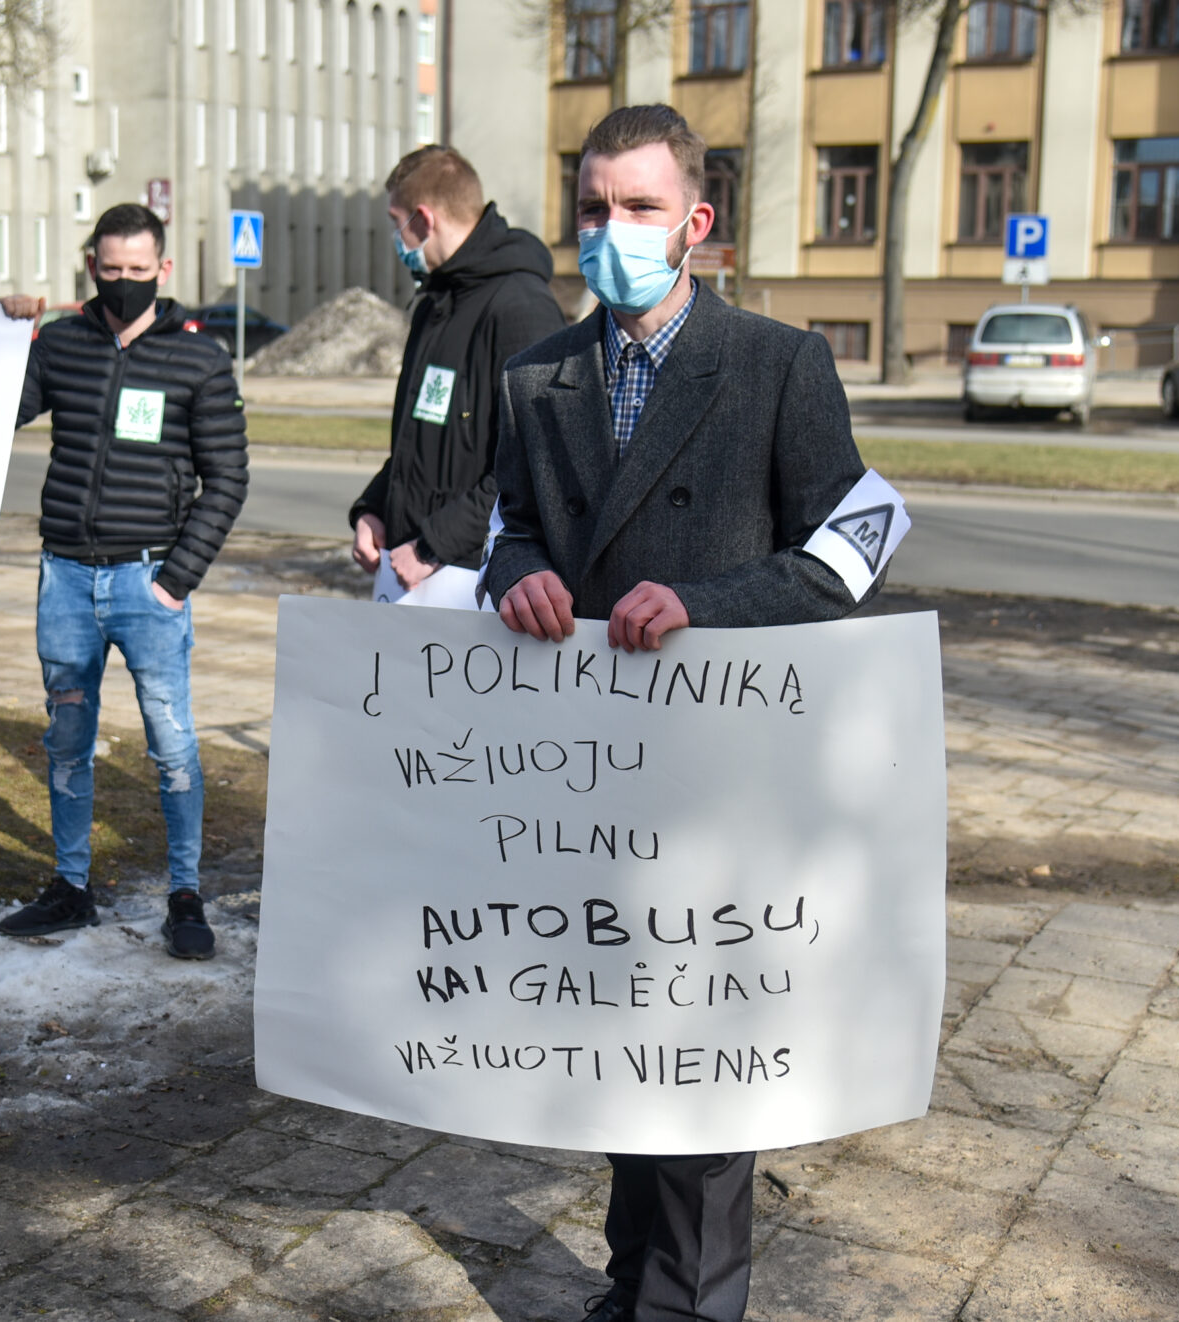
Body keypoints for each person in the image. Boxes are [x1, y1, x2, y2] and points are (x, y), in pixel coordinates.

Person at [484, 105, 882, 1322]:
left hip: (724, 770)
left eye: (640, 208)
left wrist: (708, 604)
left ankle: (690, 1304)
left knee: (699, 1050)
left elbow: (859, 543)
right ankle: (631, 1281)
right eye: (595, 206)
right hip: (588, 776)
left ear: (695, 223)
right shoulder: (538, 373)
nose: (612, 230)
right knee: (617, 1037)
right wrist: (519, 578)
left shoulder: (777, 363)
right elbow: (511, 527)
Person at [0, 204, 247, 959]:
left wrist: (176, 579)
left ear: (163, 271)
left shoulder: (199, 358)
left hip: (148, 584)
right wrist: (7, 335)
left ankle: (185, 894)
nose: (127, 283)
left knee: (171, 743)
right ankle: (71, 888)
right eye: (113, 271)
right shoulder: (62, 344)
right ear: (91, 268)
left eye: (141, 271)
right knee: (66, 737)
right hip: (66, 577)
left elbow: (227, 479)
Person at [352, 146, 564, 605]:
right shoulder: (435, 303)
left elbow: (530, 464)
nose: (397, 238)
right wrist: (374, 509)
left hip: (469, 585)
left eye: (397, 222)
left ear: (424, 220)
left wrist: (432, 545)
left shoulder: (520, 307)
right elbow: (418, 445)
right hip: (410, 576)